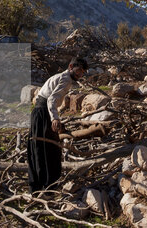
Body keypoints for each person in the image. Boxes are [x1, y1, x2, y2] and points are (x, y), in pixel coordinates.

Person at [28, 57, 88, 192]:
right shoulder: (66, 80)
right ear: (71, 67)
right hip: (44, 114)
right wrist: (54, 118)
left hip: (39, 112)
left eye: (83, 72)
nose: (80, 74)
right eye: (78, 71)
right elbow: (51, 99)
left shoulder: (61, 77)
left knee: (40, 148)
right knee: (49, 149)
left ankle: (37, 186)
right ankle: (48, 187)